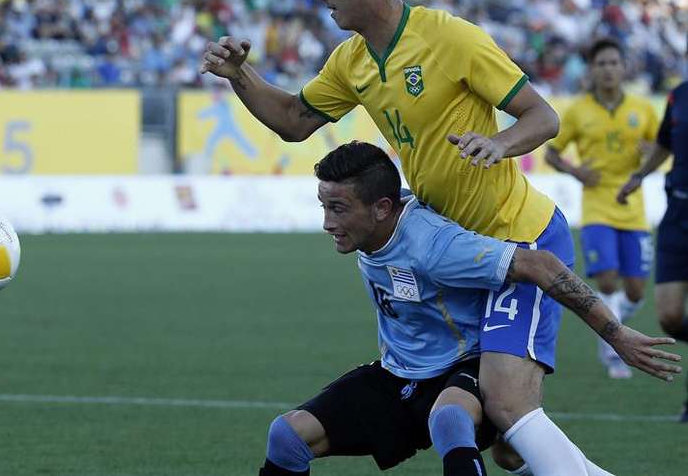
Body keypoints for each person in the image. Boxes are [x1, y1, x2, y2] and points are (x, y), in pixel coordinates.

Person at [201, 0, 597, 474]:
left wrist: (499, 144)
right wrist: (242, 76)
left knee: (505, 405)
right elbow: (292, 121)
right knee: (506, 436)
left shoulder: (449, 37)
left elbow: (543, 116)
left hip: (518, 231)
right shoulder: (352, 60)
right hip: (453, 242)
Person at [258, 141, 680, 476]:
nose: (327, 223)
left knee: (449, 420)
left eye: (338, 209)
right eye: (324, 207)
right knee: (287, 437)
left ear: (383, 208)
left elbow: (540, 264)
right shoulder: (374, 217)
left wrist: (617, 333)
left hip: (466, 368)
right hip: (399, 373)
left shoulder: (434, 245)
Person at [545, 39, 660, 379]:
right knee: (608, 281)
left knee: (637, 289)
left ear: (624, 68)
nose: (608, 69)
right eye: (602, 64)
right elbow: (552, 152)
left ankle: (616, 324)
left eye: (614, 63)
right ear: (591, 71)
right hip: (596, 208)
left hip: (633, 207)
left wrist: (649, 151)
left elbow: (661, 148)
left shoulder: (643, 109)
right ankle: (611, 346)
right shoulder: (579, 111)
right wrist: (575, 171)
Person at [618, 80, 688, 420]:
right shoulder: (679, 94)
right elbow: (664, 143)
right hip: (676, 213)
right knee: (669, 316)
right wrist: (640, 175)